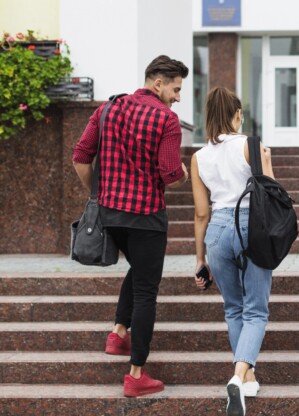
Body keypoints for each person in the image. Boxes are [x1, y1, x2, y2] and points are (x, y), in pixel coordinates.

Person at [72, 55, 189, 397]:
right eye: (176, 89)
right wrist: (184, 174)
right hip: (147, 216)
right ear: (158, 83)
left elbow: (80, 156)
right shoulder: (167, 120)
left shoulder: (108, 109)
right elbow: (169, 173)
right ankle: (136, 374)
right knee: (146, 290)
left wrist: (100, 194)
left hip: (110, 214)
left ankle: (118, 333)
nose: (178, 97)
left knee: (139, 269)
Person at [191, 87, 275, 416]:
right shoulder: (252, 146)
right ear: (237, 114)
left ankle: (248, 376)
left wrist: (200, 260)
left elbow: (200, 213)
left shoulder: (198, 157)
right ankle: (239, 377)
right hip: (252, 228)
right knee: (256, 310)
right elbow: (273, 196)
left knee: (233, 309)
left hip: (217, 232)